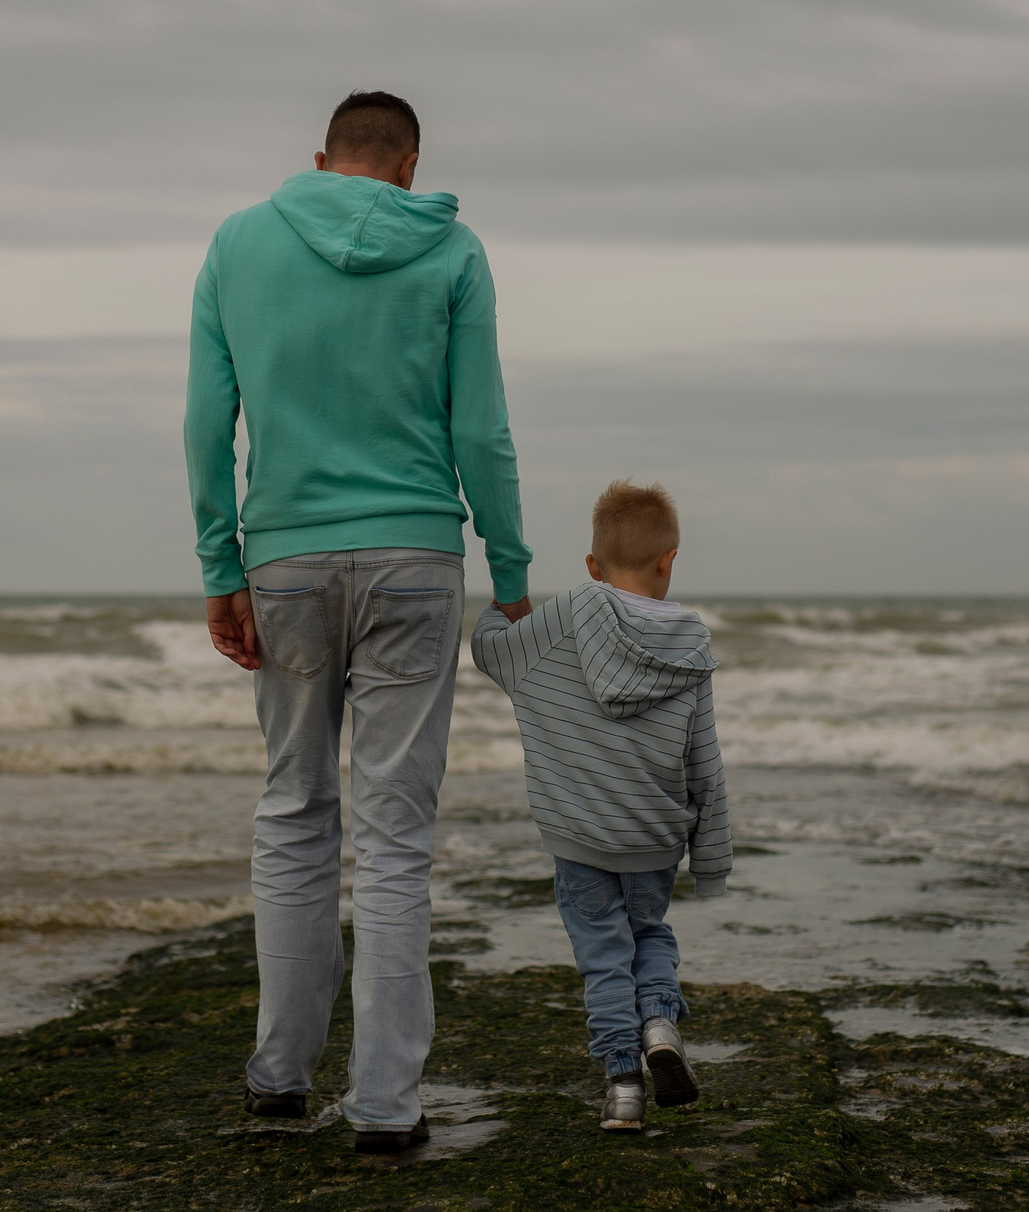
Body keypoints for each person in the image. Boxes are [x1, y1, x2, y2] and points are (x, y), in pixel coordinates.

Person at [184, 91, 532, 1154]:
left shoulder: (240, 241)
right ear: (410, 165)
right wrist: (510, 568)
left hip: (283, 558)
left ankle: (279, 1076)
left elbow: (208, 417)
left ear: (321, 158)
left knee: (294, 811)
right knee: (393, 838)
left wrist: (219, 564)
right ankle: (384, 1106)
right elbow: (480, 426)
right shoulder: (453, 249)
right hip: (417, 562)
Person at [469, 479, 731, 1132]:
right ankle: (661, 1021)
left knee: (603, 954)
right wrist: (714, 859)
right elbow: (706, 763)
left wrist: (502, 607)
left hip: (580, 837)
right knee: (649, 935)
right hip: (653, 837)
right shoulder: (691, 645)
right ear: (669, 559)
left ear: (591, 565)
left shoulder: (562, 619)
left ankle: (622, 1084)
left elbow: (493, 653)